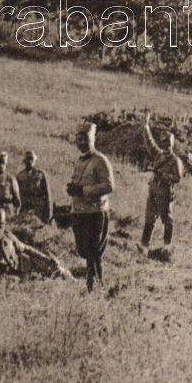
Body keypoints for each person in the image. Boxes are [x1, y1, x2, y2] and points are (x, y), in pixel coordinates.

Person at [67, 121, 114, 292]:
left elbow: (109, 186)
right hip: (79, 213)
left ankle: (94, 286)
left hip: (95, 212)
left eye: (85, 139)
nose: (81, 142)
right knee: (83, 250)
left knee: (93, 251)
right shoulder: (79, 161)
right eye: (78, 139)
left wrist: (83, 190)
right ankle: (94, 283)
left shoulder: (100, 160)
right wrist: (72, 189)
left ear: (92, 139)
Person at [0, 209, 74, 280]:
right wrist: (8, 280)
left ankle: (71, 281)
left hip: (23, 273)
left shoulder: (8, 236)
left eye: (1, 226)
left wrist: (46, 259)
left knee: (55, 269)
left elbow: (26, 249)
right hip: (6, 282)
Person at [137, 113, 183, 257]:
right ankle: (144, 245)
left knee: (166, 219)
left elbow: (177, 177)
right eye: (163, 143)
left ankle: (167, 246)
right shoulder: (158, 155)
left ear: (172, 144)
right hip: (154, 190)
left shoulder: (175, 161)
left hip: (165, 191)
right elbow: (150, 143)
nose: (165, 146)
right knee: (149, 217)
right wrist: (145, 127)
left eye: (167, 144)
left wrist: (164, 175)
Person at [16, 150, 52, 223]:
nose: (29, 161)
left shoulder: (41, 174)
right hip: (25, 207)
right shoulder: (19, 176)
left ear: (35, 160)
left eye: (31, 159)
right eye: (27, 159)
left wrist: (49, 211)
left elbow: (48, 194)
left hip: (39, 208)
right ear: (24, 161)